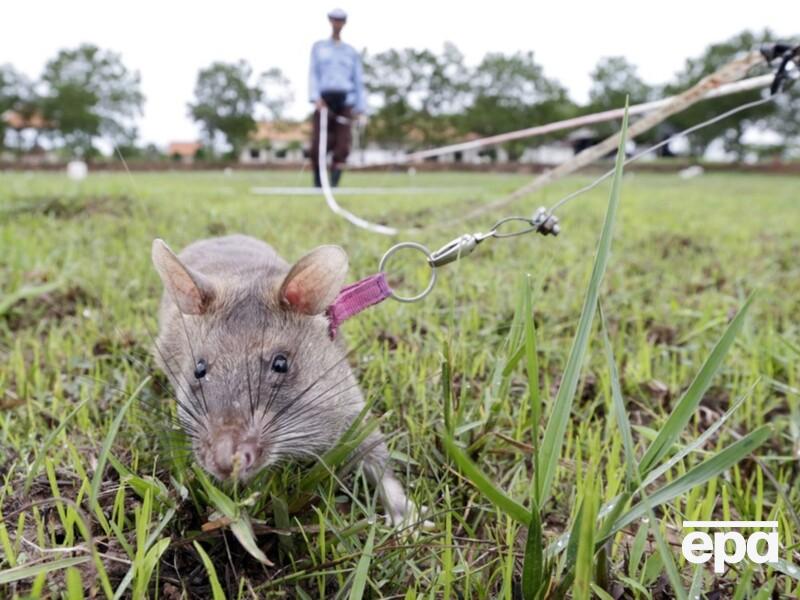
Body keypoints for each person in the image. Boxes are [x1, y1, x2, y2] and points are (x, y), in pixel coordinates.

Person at [308, 8, 366, 188]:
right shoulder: (319, 48)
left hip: (345, 102)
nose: (337, 23)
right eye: (334, 19)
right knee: (319, 144)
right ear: (330, 21)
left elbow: (358, 80)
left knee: (342, 146)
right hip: (324, 102)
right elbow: (313, 74)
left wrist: (361, 109)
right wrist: (315, 97)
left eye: (341, 20)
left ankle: (334, 185)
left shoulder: (351, 52)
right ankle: (318, 185)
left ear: (344, 23)